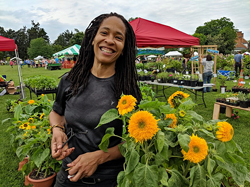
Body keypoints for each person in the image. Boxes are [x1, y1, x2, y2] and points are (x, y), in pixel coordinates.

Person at [49, 12, 142, 187]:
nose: (110, 40)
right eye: (104, 33)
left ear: (124, 48)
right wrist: (57, 130)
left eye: (118, 37)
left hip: (107, 180)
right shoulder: (70, 80)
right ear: (93, 38)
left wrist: (99, 157)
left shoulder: (128, 92)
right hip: (66, 178)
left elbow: (134, 141)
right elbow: (56, 112)